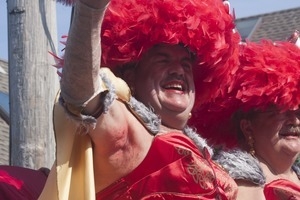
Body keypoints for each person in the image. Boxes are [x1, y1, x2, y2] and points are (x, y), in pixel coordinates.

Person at [39, 0, 240, 199]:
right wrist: (91, 9)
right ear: (130, 75)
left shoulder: (208, 153)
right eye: (163, 59)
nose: (179, 71)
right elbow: (81, 94)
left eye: (186, 64)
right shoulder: (127, 127)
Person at [191, 34, 300, 200]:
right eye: (280, 110)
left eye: (299, 111)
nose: (295, 121)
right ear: (247, 127)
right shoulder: (231, 185)